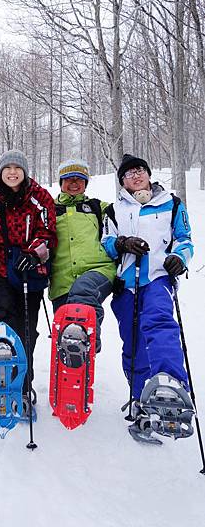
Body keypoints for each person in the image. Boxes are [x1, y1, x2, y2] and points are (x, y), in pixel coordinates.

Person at [101, 154, 194, 436]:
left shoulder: (171, 203)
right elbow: (106, 243)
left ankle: (172, 385)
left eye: (140, 170)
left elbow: (184, 239)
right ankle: (140, 396)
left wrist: (179, 257)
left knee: (159, 322)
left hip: (157, 277)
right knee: (133, 342)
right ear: (123, 182)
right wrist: (122, 243)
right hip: (126, 283)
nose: (136, 175)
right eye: (129, 173)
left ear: (148, 174)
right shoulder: (114, 210)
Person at [0, 150, 57, 413]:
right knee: (2, 319)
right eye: (8, 168)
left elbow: (49, 234)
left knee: (27, 326)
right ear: (1, 173)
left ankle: (24, 386)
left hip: (30, 272)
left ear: (25, 171)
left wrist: (34, 253)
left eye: (17, 167)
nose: (12, 172)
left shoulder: (40, 199)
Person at [48, 159, 116, 352]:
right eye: (69, 178)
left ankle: (91, 339)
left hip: (98, 270)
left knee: (84, 291)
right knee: (66, 338)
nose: (74, 183)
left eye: (80, 179)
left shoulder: (97, 207)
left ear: (86, 183)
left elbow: (127, 211)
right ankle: (70, 380)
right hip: (62, 281)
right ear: (61, 182)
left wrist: (147, 194)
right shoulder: (49, 210)